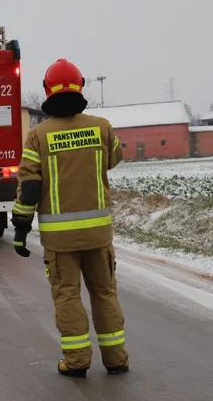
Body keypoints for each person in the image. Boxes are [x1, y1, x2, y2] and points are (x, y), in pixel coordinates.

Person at [12, 58, 129, 378]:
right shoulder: (101, 127)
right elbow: (115, 157)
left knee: (67, 295)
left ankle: (77, 361)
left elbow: (30, 187)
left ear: (48, 91)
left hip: (60, 240)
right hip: (98, 235)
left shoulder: (39, 135)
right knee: (104, 293)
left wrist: (21, 229)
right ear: (81, 87)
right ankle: (116, 358)